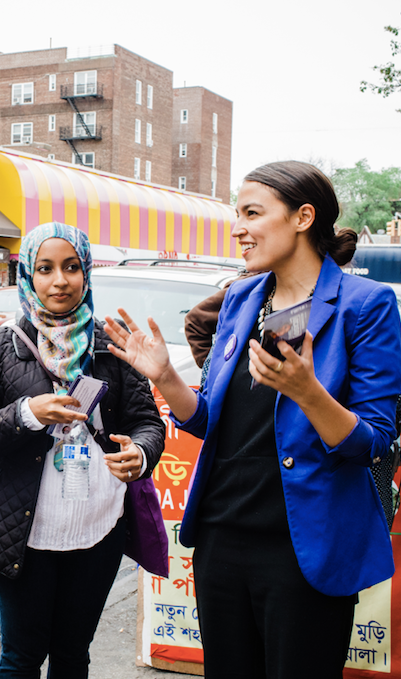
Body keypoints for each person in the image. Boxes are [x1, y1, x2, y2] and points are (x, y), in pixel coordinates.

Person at [104, 161, 401, 679]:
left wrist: (308, 394)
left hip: (305, 546)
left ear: (303, 217)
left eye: (252, 213)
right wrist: (168, 379)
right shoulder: (243, 297)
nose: (237, 227)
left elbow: (372, 441)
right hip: (222, 536)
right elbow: (214, 421)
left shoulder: (366, 305)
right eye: (236, 214)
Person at [0, 222, 165, 678]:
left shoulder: (110, 344)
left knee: (73, 655)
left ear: (87, 272)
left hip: (98, 531)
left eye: (72, 267)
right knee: (21, 658)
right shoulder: (1, 346)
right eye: (45, 268)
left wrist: (142, 453)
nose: (60, 280)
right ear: (28, 277)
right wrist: (27, 412)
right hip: (22, 535)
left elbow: (147, 422)